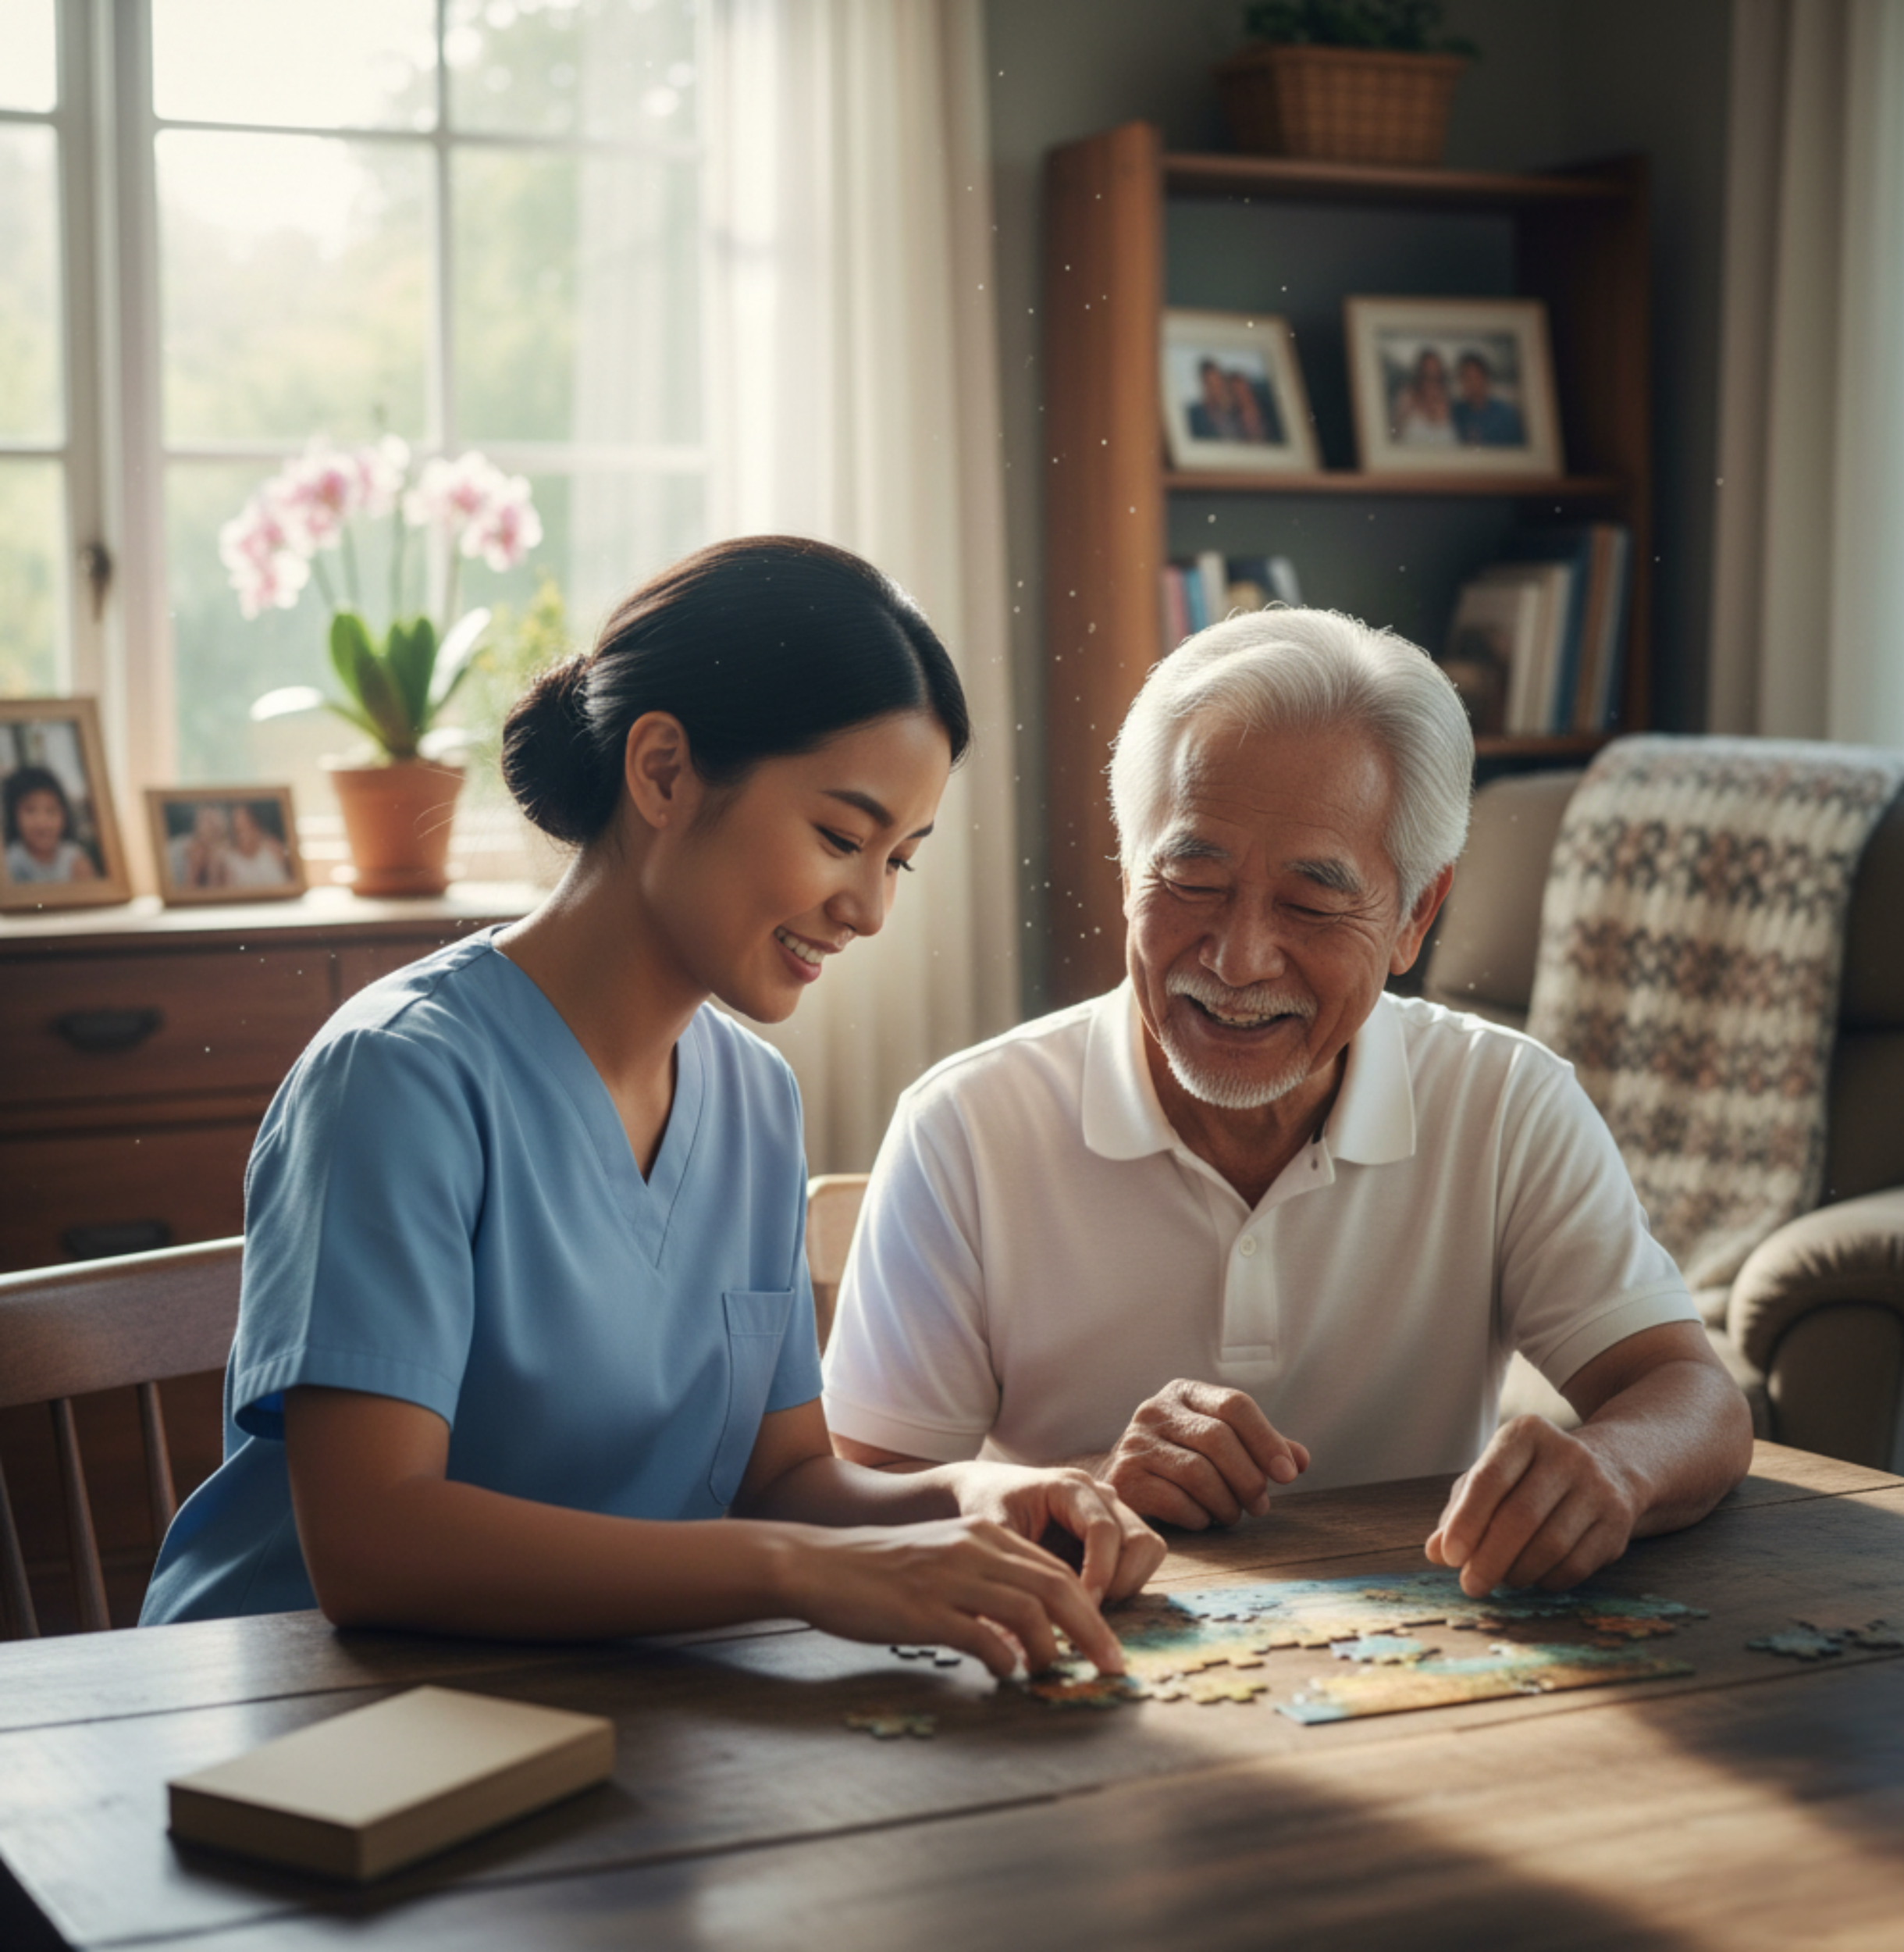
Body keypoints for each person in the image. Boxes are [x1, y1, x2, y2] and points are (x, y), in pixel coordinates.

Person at [142, 536, 1162, 1675]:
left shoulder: (754, 1099)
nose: (869, 909)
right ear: (665, 772)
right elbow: (374, 1545)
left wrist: (972, 1490)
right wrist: (793, 1572)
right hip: (308, 1730)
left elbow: (783, 1480)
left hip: (598, 1705)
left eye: (901, 861)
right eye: (840, 837)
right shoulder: (399, 1077)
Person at [824, 607, 1753, 1600]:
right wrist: (1084, 1487)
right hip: (1089, 1678)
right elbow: (856, 1496)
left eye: (1311, 905)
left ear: (1415, 917)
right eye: (1189, 878)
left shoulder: (1505, 1099)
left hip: (1432, 1679)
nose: (1238, 958)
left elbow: (1691, 1394)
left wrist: (1611, 1466)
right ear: (1124, 866)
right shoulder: (968, 1124)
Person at [2, 764, 98, 884]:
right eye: (30, 810)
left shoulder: (74, 860)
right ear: (14, 816)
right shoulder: (9, 862)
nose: (42, 822)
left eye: (51, 811)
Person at [1450, 351, 1525, 446]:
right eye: (1463, 377)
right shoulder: (1457, 412)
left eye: (1471, 377)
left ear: (1484, 378)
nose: (1467, 383)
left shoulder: (1506, 415)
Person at [1389, 348, 1458, 447]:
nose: (1432, 382)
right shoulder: (1407, 397)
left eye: (1437, 377)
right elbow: (1393, 436)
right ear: (1419, 374)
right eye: (1427, 375)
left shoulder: (1450, 399)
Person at [223, 801, 294, 886]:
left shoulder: (274, 848)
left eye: (248, 826)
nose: (245, 835)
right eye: (239, 830)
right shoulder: (227, 859)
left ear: (256, 824)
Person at [165, 803, 233, 890]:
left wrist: (214, 871)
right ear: (197, 824)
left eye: (216, 829)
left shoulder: (228, 857)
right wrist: (193, 870)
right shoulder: (175, 850)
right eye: (208, 822)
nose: (211, 831)